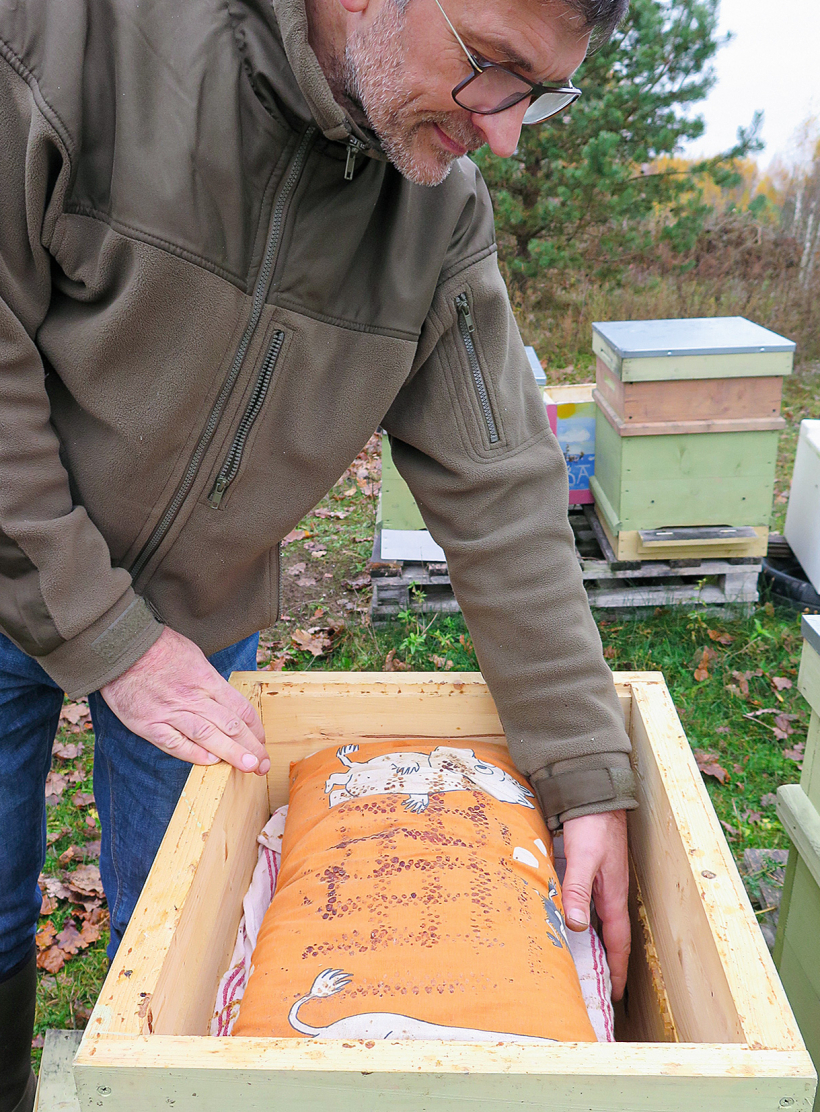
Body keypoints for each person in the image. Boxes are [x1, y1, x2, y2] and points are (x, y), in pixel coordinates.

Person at [0, 0, 636, 1104]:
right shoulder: (74, 34)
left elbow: (502, 489)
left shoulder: (438, 221)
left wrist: (583, 768)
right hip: (12, 574)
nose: (506, 132)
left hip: (201, 630)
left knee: (184, 949)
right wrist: (102, 632)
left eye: (539, 92)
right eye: (492, 70)